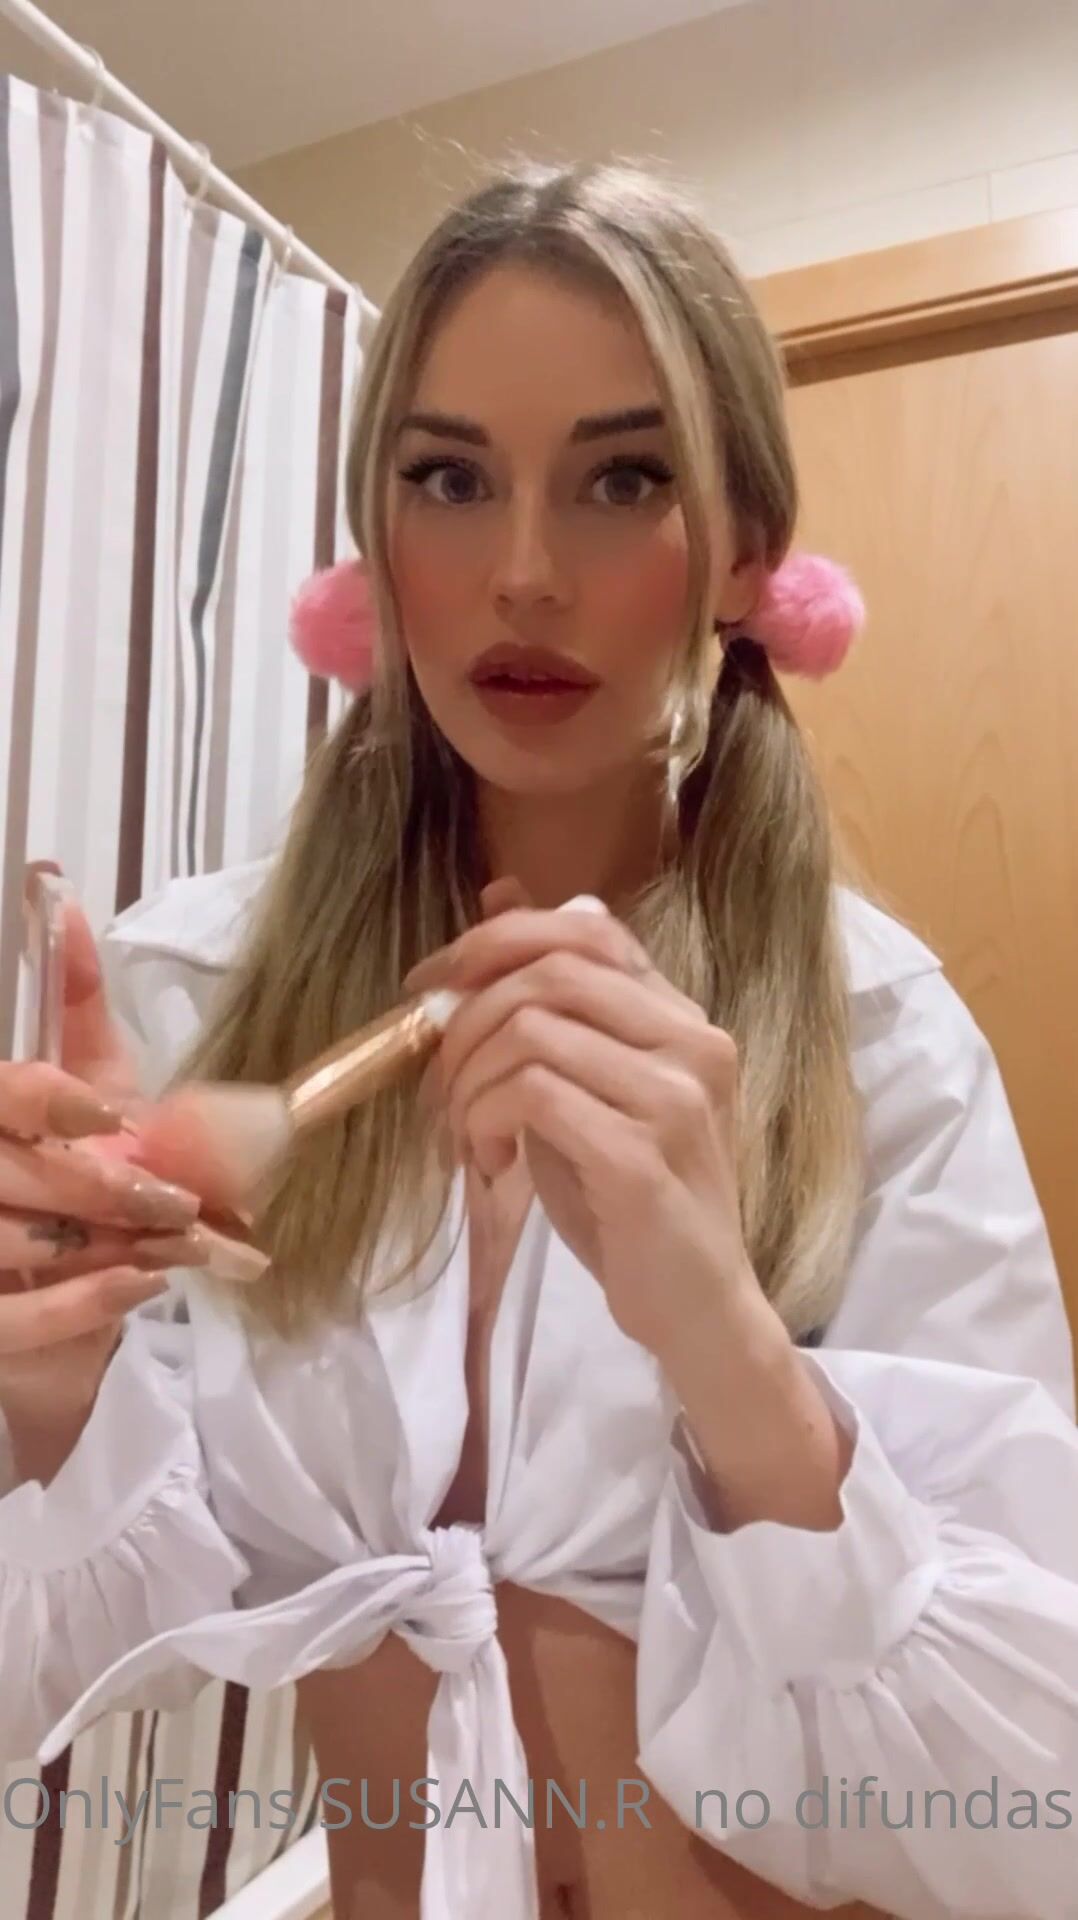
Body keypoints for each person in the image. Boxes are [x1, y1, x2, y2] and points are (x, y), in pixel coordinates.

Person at [1, 159, 1076, 1920]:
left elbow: (1031, 1815)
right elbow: (57, 1661)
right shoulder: (202, 992)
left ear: (743, 555)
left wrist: (720, 1334)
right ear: (376, 544)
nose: (519, 575)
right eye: (447, 480)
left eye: (622, 480)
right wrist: (53, 1394)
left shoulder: (877, 1039)